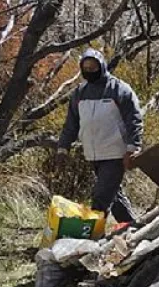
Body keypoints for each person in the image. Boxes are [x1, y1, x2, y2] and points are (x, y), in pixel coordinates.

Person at [56, 49, 143, 224]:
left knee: (100, 197)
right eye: (85, 68)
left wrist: (133, 148)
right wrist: (62, 147)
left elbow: (134, 120)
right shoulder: (79, 93)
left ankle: (93, 236)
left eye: (93, 67)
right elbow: (71, 123)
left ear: (101, 66)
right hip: (92, 153)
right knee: (114, 196)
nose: (89, 71)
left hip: (115, 153)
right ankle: (131, 227)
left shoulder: (119, 89)